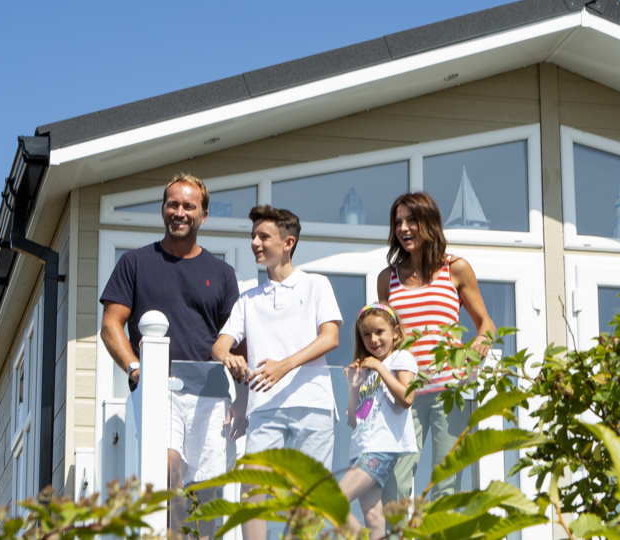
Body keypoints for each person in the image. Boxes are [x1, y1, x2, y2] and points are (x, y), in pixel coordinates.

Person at [98, 173, 241, 536]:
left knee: (207, 493)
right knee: (167, 470)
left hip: (210, 395)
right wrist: (135, 369)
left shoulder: (222, 274)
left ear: (203, 215)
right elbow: (111, 325)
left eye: (188, 206)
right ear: (163, 209)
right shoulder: (135, 263)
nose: (179, 212)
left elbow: (234, 341)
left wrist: (242, 402)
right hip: (158, 389)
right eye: (172, 204)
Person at [211, 205, 341, 540]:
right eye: (253, 236)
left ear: (288, 242)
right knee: (252, 484)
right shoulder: (248, 300)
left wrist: (284, 365)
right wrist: (229, 359)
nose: (255, 242)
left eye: (263, 236)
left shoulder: (316, 285)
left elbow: (331, 337)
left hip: (313, 404)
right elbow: (220, 346)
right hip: (265, 409)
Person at [375, 191, 497, 501]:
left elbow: (486, 325)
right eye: (398, 222)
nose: (403, 229)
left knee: (445, 485)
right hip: (405, 394)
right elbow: (382, 338)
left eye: (411, 221)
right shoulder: (387, 279)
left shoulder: (455, 269)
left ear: (429, 223)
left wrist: (478, 346)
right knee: (395, 484)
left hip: (448, 392)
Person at [339, 303, 417, 540]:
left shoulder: (400, 357)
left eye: (379, 332)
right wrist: (354, 387)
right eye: (366, 334)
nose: (373, 339)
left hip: (379, 451)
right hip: (361, 449)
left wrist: (380, 368)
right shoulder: (368, 370)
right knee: (373, 519)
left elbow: (407, 398)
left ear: (395, 332)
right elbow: (354, 420)